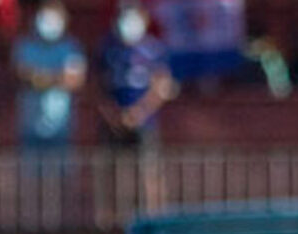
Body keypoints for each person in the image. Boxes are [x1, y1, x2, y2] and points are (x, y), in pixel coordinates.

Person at [97, 2, 177, 145]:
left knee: (145, 165)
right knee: (113, 165)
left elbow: (163, 86)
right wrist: (112, 114)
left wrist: (138, 112)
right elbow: (97, 85)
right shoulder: (107, 49)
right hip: (113, 123)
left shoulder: (154, 50)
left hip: (145, 123)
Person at [13, 0, 86, 149]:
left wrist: (42, 77)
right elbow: (21, 73)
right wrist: (56, 77)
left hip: (62, 128)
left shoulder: (72, 47)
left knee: (61, 169)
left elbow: (74, 80)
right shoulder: (25, 46)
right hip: (30, 126)